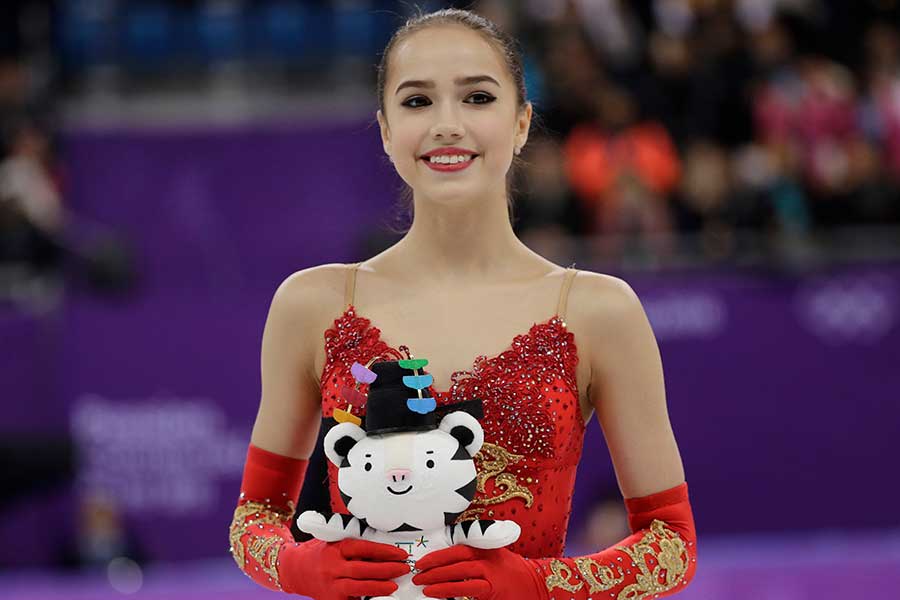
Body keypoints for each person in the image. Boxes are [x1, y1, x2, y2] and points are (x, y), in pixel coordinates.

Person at [228, 8, 696, 600]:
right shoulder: (313, 305)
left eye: (477, 98)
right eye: (417, 102)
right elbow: (254, 521)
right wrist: (300, 566)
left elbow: (672, 541)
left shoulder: (597, 312)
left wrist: (536, 582)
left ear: (522, 122)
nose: (447, 124)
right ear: (385, 130)